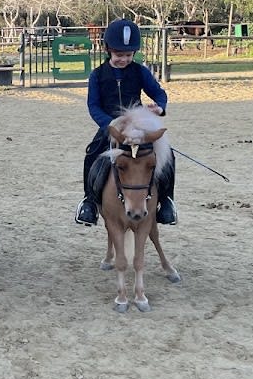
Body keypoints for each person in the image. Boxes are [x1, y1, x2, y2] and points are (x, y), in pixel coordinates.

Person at [74, 19, 177, 227]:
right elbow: (93, 106)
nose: (124, 59)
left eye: (128, 55)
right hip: (110, 126)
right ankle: (90, 203)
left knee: (169, 155)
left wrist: (159, 107)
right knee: (91, 155)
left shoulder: (140, 71)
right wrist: (110, 123)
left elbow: (159, 93)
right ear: (108, 51)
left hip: (138, 127)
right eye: (119, 55)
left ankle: (166, 201)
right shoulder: (97, 75)